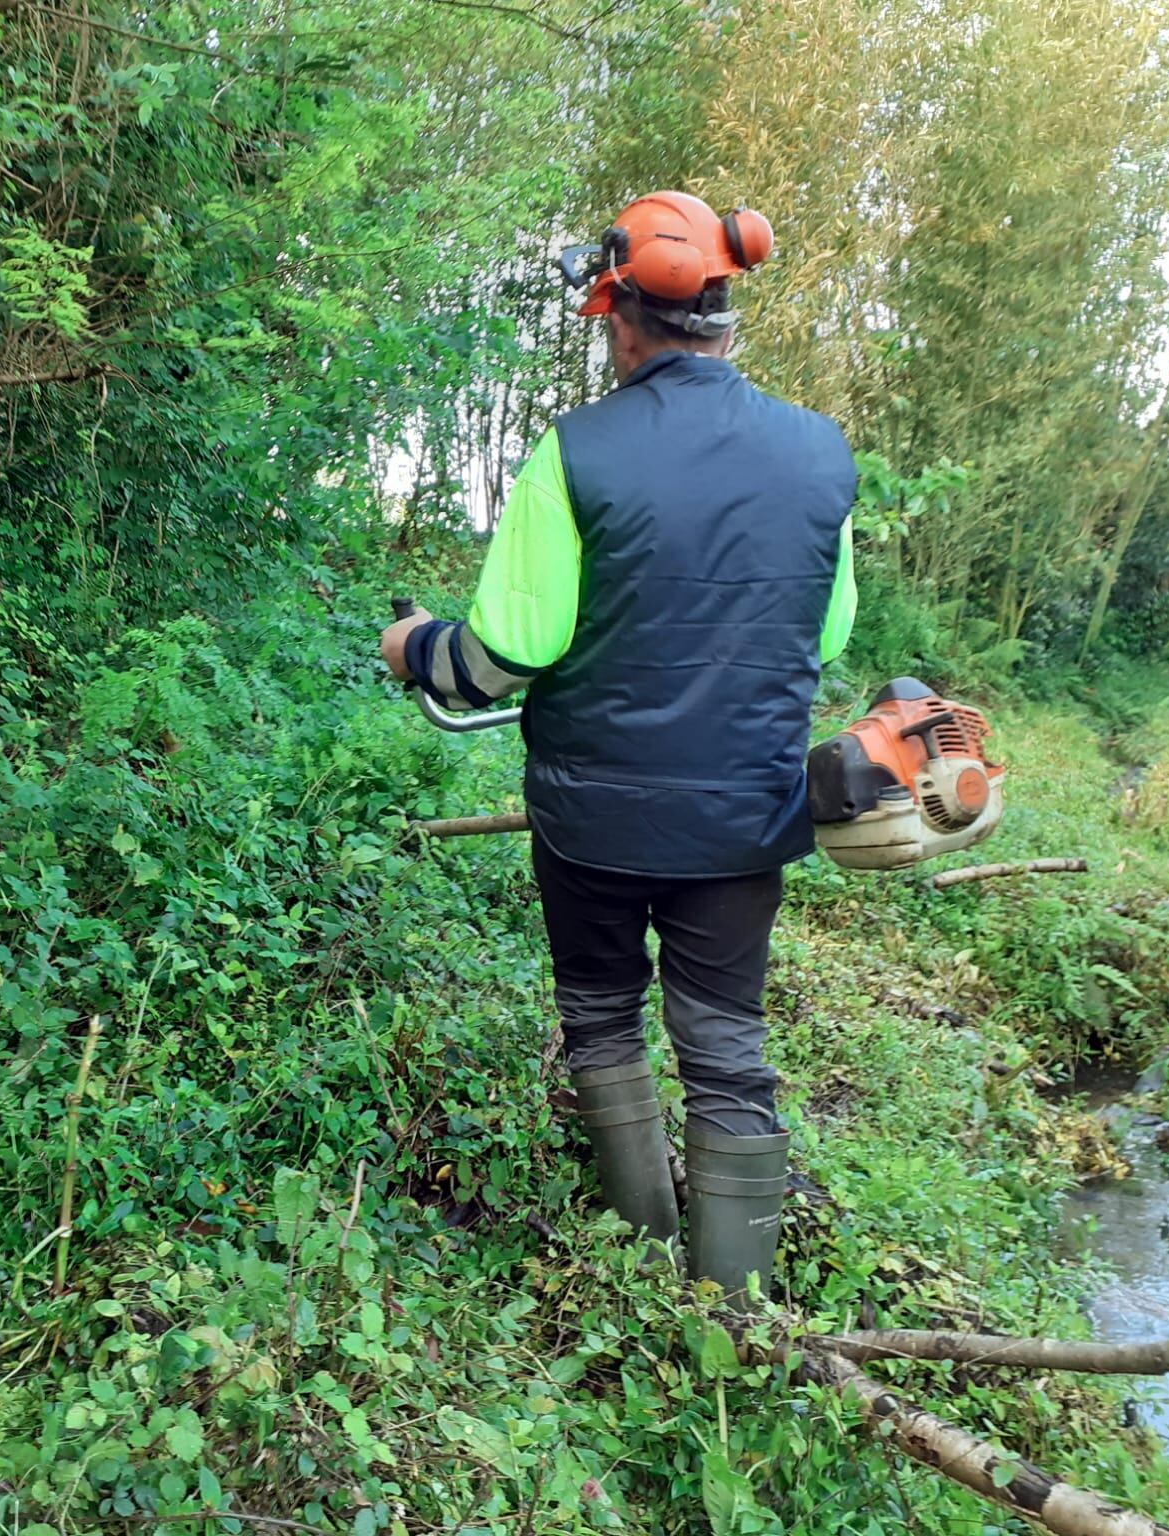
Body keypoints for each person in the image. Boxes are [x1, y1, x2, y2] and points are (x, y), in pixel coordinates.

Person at [380, 192, 857, 1298]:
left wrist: (412, 647)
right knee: (725, 1046)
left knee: (600, 1017)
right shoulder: (820, 455)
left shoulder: (573, 454)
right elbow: (823, 632)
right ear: (723, 317)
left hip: (592, 825)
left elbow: (504, 654)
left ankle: (639, 1260)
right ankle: (731, 1312)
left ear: (618, 318)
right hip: (745, 823)